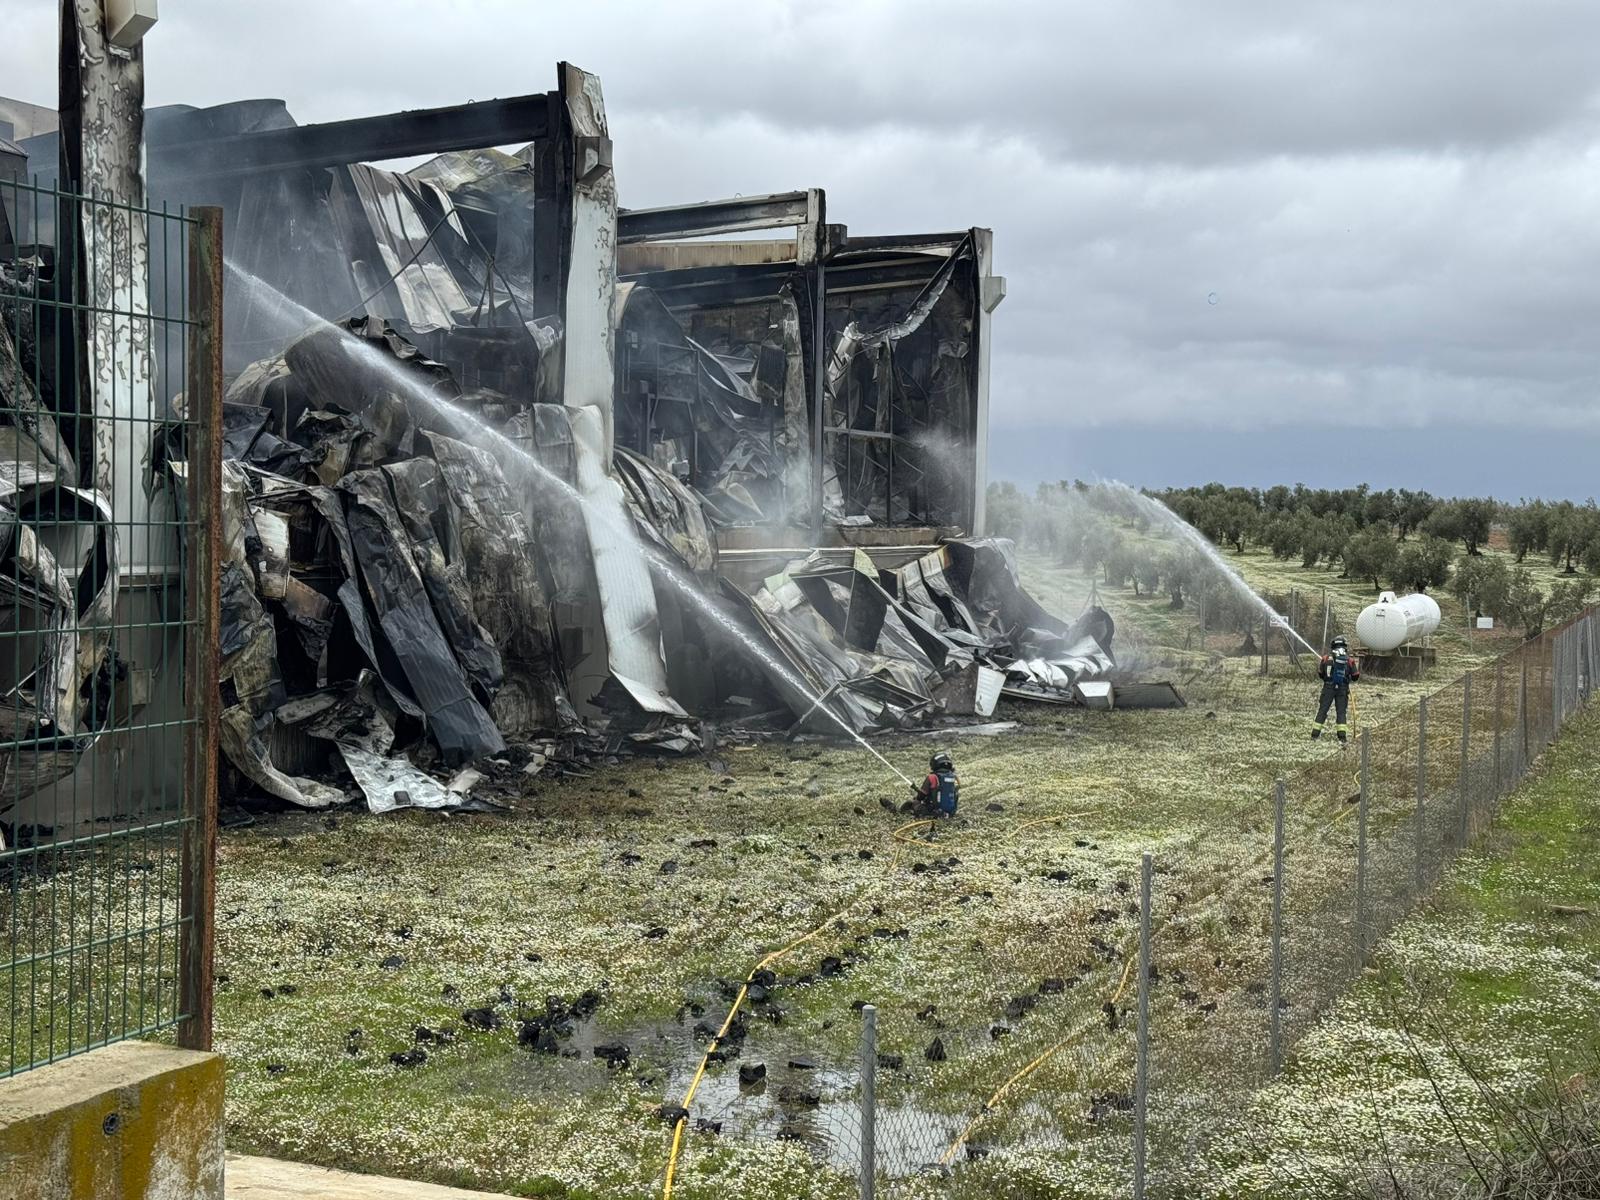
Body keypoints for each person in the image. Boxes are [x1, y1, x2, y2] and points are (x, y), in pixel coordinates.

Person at [1311, 635, 1360, 743]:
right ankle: (1342, 737)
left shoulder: (1325, 658)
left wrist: (1328, 678)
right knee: (1341, 712)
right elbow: (1355, 676)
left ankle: (1314, 735)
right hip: (1342, 689)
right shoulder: (1349, 660)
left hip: (1328, 687)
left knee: (1322, 710)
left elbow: (1320, 674)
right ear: (1345, 646)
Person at [912, 751, 960, 819]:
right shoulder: (953, 777)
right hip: (950, 813)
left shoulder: (932, 777)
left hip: (933, 812)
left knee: (915, 803)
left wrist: (917, 798)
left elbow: (921, 796)